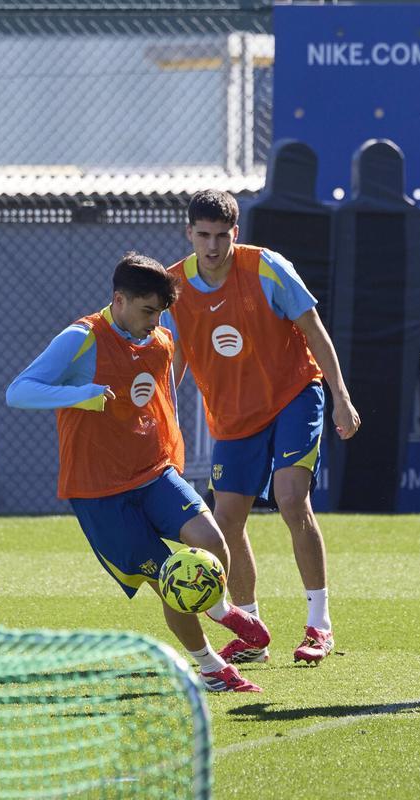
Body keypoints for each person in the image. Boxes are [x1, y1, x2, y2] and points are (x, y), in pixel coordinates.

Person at [6, 252, 270, 692]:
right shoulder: (82, 338)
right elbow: (18, 392)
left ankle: (220, 607)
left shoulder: (161, 342)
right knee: (170, 580)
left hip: (152, 471)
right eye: (147, 311)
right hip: (100, 491)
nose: (155, 322)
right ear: (119, 299)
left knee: (210, 540)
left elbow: (160, 403)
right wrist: (81, 395)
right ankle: (209, 667)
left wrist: (172, 452)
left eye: (161, 313)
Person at [165, 189, 360, 666]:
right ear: (189, 233)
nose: (212, 247)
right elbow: (178, 355)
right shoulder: (172, 285)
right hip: (232, 414)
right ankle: (252, 631)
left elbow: (314, 329)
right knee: (227, 518)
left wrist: (341, 396)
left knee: (292, 498)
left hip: (293, 394)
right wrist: (162, 417)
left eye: (221, 236)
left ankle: (319, 625)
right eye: (203, 236)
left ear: (236, 233)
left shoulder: (267, 267)